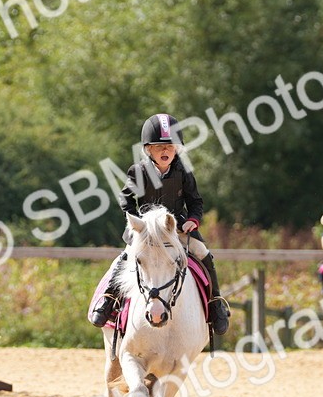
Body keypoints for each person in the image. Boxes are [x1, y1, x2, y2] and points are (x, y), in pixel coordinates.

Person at [88, 113, 231, 335]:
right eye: (159, 147)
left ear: (177, 149)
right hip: (146, 230)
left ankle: (215, 303)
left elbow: (195, 201)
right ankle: (109, 298)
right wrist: (135, 223)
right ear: (148, 150)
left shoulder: (184, 171)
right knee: (126, 256)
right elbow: (126, 200)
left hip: (176, 228)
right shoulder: (138, 171)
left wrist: (193, 220)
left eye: (170, 147)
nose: (165, 151)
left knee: (204, 253)